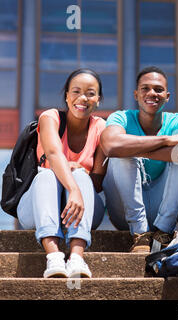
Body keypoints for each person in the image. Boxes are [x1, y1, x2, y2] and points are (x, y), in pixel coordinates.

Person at [100, 66, 178, 252]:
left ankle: (163, 232)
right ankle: (140, 234)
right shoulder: (121, 117)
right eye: (145, 88)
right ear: (136, 94)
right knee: (120, 154)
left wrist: (138, 149)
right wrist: (166, 141)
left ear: (167, 96)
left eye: (158, 89)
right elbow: (110, 146)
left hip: (162, 208)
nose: (152, 93)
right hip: (123, 211)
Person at [17, 68, 107, 278]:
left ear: (99, 99)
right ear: (66, 95)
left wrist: (80, 175)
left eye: (90, 93)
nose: (82, 98)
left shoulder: (101, 126)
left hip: (82, 211)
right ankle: (54, 257)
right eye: (76, 91)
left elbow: (98, 181)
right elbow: (53, 153)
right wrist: (72, 187)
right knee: (47, 174)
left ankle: (77, 257)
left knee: (81, 175)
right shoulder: (50, 118)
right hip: (37, 207)